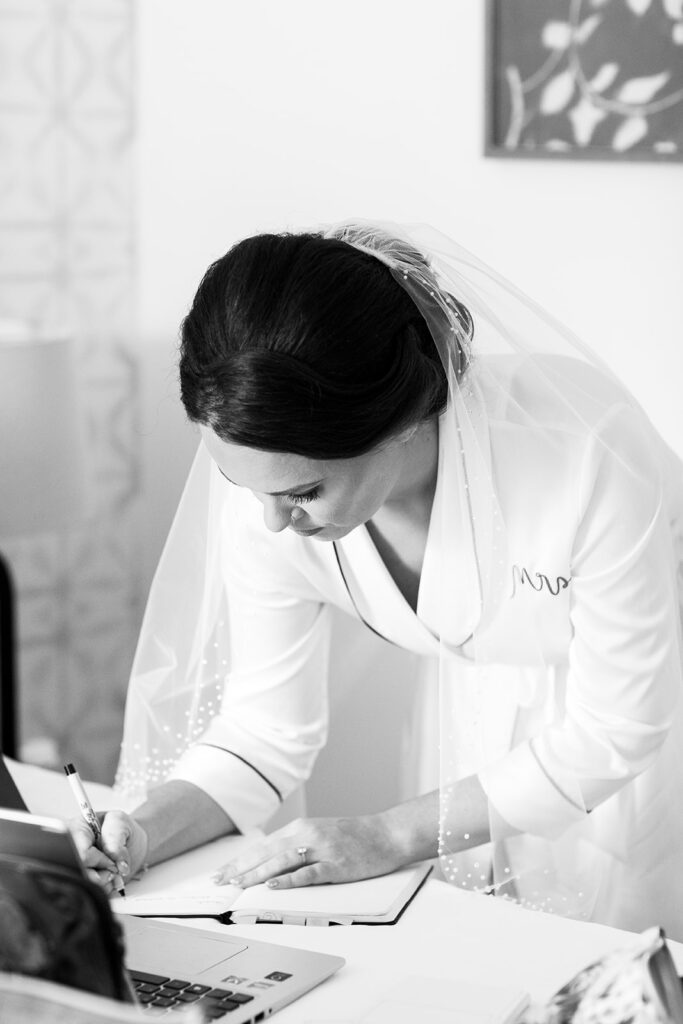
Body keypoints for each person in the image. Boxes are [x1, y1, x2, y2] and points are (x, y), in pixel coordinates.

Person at [72, 221, 683, 940]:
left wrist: (389, 835)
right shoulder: (267, 494)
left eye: (302, 493)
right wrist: (140, 833)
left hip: (647, 720)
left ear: (398, 423)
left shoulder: (586, 454)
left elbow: (615, 727)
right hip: (482, 729)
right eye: (240, 482)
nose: (269, 523)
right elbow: (265, 729)